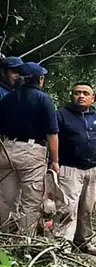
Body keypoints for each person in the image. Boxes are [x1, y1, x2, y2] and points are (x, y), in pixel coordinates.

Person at [55, 82, 96, 251]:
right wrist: (52, 163)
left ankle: (83, 241)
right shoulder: (61, 115)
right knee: (68, 207)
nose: (80, 96)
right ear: (72, 96)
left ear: (93, 99)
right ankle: (62, 244)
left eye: (85, 93)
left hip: (92, 170)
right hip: (69, 169)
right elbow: (52, 140)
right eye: (77, 93)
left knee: (87, 208)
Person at [0, 62, 59, 235]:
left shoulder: (7, 98)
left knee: (5, 198)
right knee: (30, 200)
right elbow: (52, 133)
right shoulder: (44, 99)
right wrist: (55, 161)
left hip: (6, 149)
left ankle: (3, 237)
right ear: (39, 80)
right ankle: (25, 240)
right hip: (31, 152)